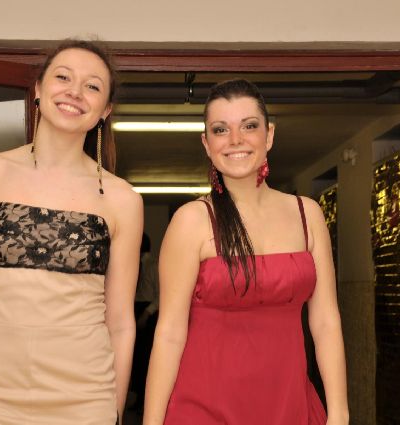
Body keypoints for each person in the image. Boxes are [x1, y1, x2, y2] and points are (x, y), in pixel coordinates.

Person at [0, 39, 143, 425]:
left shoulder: (122, 200)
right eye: (63, 77)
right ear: (38, 89)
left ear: (105, 110)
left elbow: (119, 322)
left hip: (84, 401)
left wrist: (113, 414)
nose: (75, 92)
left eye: (92, 86)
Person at [143, 79, 348, 425]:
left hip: (291, 408)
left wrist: (339, 412)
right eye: (221, 129)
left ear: (269, 135)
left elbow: (326, 321)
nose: (235, 139)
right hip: (202, 409)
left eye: (249, 126)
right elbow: (170, 333)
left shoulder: (307, 214)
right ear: (207, 144)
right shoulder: (192, 220)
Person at [129, 233, 159, 410]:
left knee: (145, 357)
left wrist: (147, 313)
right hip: (135, 307)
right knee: (135, 357)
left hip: (147, 312)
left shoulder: (154, 265)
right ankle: (138, 398)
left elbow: (160, 295)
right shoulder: (132, 264)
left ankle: (145, 401)